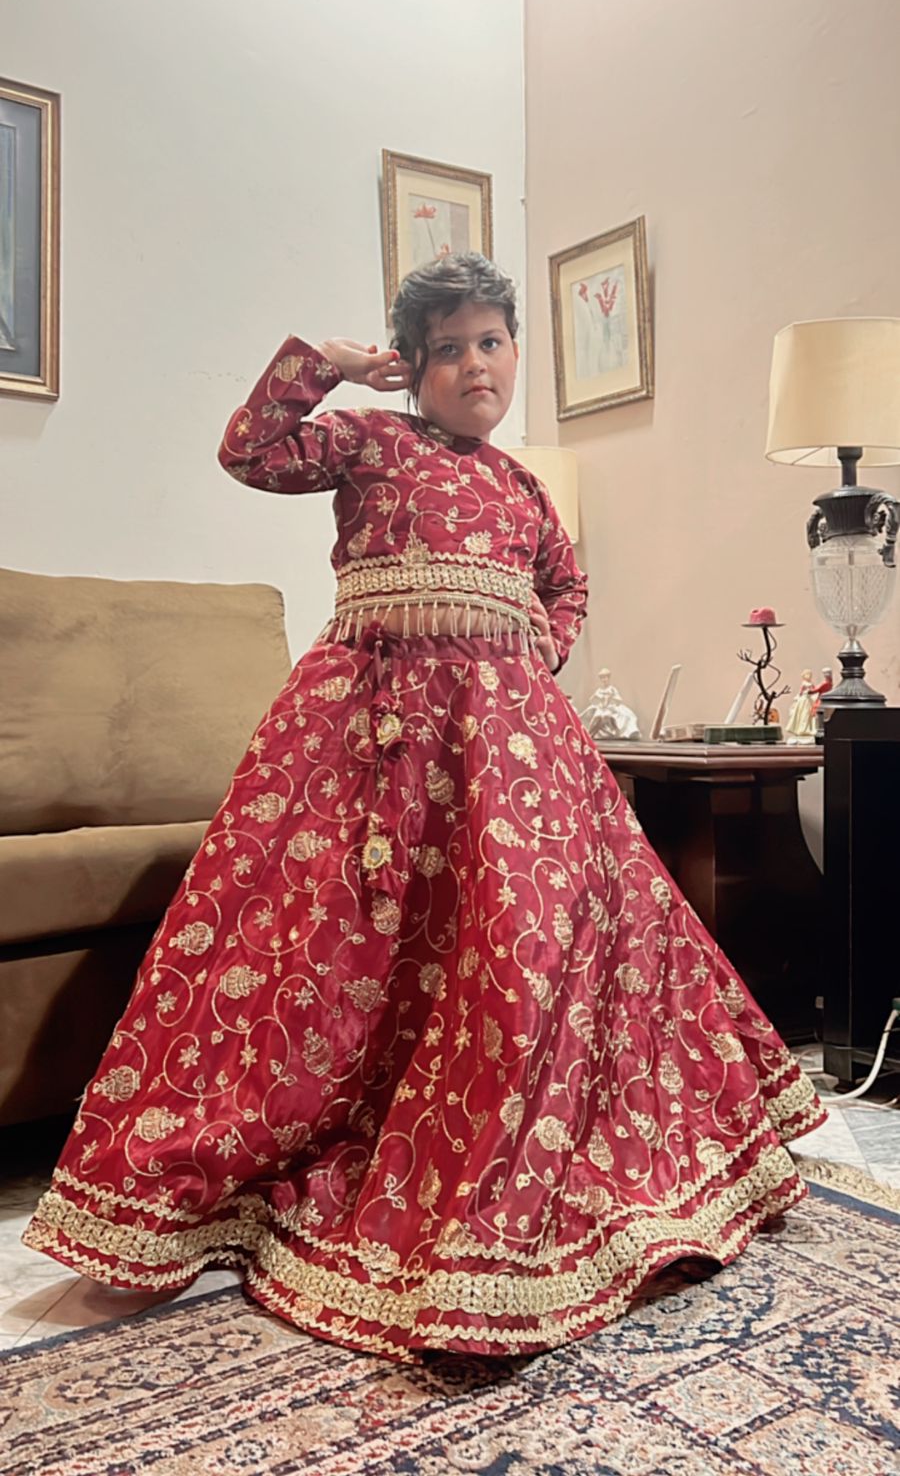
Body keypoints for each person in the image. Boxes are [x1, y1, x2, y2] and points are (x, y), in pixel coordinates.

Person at [24, 254, 824, 1360]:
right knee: (321, 935)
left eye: (490, 342)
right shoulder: (369, 442)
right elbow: (250, 450)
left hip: (512, 753)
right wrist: (332, 365)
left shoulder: (525, 489)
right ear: (411, 366)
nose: (473, 365)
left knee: (530, 931)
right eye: (446, 349)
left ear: (514, 354)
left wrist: (536, 650)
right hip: (371, 738)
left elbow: (567, 583)